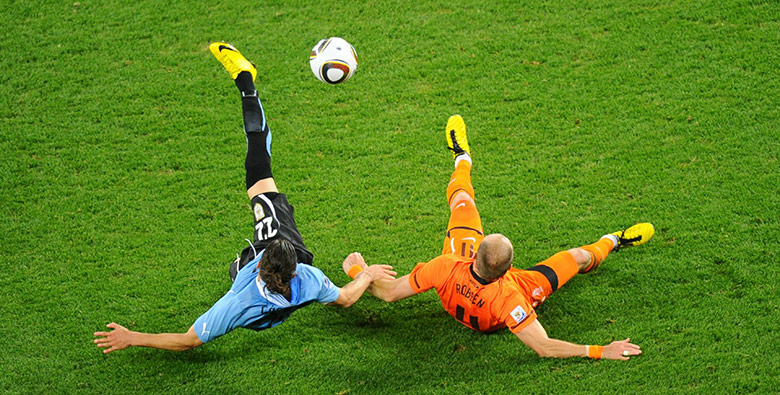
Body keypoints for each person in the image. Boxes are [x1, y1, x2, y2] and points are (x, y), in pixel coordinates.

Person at [93, 43, 395, 354]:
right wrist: (367, 273)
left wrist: (133, 337)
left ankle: (245, 81)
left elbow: (188, 341)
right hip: (270, 292)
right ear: (294, 268)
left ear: (261, 264)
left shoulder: (238, 304)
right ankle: (245, 82)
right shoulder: (308, 278)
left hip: (252, 297)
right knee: (258, 171)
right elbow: (346, 298)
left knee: (256, 170)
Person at [342, 115, 654, 360]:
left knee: (463, 202)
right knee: (577, 257)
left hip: (458, 285)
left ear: (474, 251)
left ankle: (462, 158)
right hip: (499, 303)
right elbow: (544, 346)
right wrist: (602, 349)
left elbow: (388, 293)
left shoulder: (446, 264)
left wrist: (361, 272)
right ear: (509, 270)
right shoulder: (511, 297)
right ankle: (612, 240)